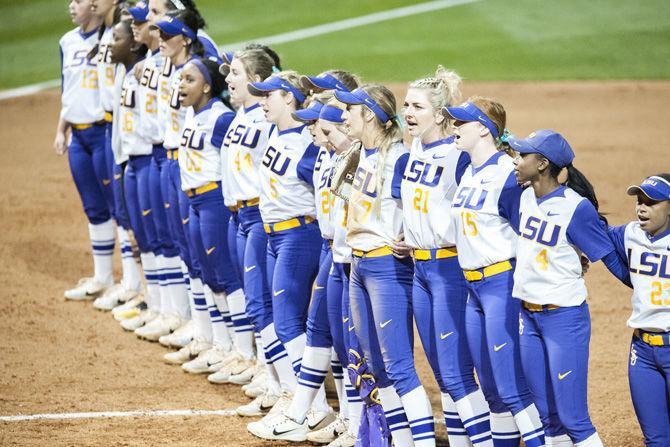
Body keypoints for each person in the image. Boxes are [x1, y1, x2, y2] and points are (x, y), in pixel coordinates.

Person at [510, 130, 630, 447]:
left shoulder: (574, 208)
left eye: (524, 156)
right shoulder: (522, 197)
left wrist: (642, 287)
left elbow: (610, 259)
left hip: (563, 320)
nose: (517, 160)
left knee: (574, 419)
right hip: (529, 319)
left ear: (542, 164)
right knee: (548, 417)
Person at [399, 68, 493, 447]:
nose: (407, 111)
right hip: (421, 267)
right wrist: (411, 233)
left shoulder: (457, 155)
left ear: (440, 115)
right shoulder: (415, 148)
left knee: (457, 372)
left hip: (448, 269)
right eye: (406, 103)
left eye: (417, 106)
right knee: (442, 371)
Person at [444, 98, 545, 447]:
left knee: (511, 387)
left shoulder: (508, 176)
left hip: (501, 286)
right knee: (491, 390)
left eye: (461, 123)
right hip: (472, 290)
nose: (454, 128)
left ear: (484, 130)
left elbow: (529, 233)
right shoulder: (466, 170)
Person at [336, 84, 432, 447]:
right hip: (359, 265)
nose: (344, 117)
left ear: (370, 115)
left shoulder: (397, 157)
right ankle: (401, 441)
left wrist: (408, 235)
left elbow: (413, 207)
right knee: (378, 367)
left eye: (350, 111)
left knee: (400, 367)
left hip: (385, 267)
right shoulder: (360, 154)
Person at [245, 71, 332, 437]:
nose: (262, 101)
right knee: (283, 319)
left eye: (270, 96)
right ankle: (304, 400)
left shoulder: (307, 142)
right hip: (273, 234)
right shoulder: (272, 132)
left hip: (299, 234)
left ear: (291, 99)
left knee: (288, 322)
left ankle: (314, 406)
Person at [218, 49, 297, 418]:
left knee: (262, 303)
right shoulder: (240, 115)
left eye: (235, 73)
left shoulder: (267, 122)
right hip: (238, 216)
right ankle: (274, 378)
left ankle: (285, 387)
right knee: (258, 302)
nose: (228, 79)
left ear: (256, 79)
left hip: (259, 217)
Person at [56, 0, 116, 301]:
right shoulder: (66, 41)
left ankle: (133, 283)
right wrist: (60, 128)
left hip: (102, 132)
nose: (71, 6)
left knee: (119, 209)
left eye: (78, 1)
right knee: (93, 208)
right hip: (77, 138)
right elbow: (68, 89)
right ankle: (102, 277)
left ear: (94, 7)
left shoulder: (112, 39)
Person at [607, 173, 670, 447]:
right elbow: (596, 235)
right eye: (640, 200)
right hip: (642, 352)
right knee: (656, 439)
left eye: (652, 202)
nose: (642, 207)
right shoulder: (630, 234)